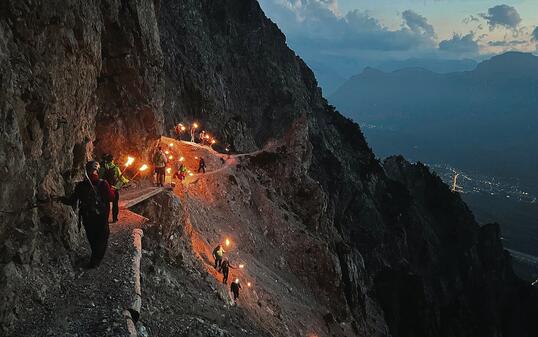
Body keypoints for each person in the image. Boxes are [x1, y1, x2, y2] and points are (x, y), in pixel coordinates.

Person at [62, 161, 114, 268]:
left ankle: (94, 257)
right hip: (101, 217)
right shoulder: (103, 184)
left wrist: (60, 198)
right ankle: (96, 260)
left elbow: (71, 201)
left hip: (87, 217)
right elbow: (111, 197)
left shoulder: (80, 186)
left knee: (92, 237)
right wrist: (113, 190)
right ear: (97, 171)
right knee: (102, 237)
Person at [100, 153, 129, 223]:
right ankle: (114, 218)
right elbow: (121, 178)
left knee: (106, 204)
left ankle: (105, 219)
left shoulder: (102, 168)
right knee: (115, 204)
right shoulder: (116, 168)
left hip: (105, 189)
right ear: (112, 160)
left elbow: (100, 178)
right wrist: (126, 181)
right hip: (114, 189)